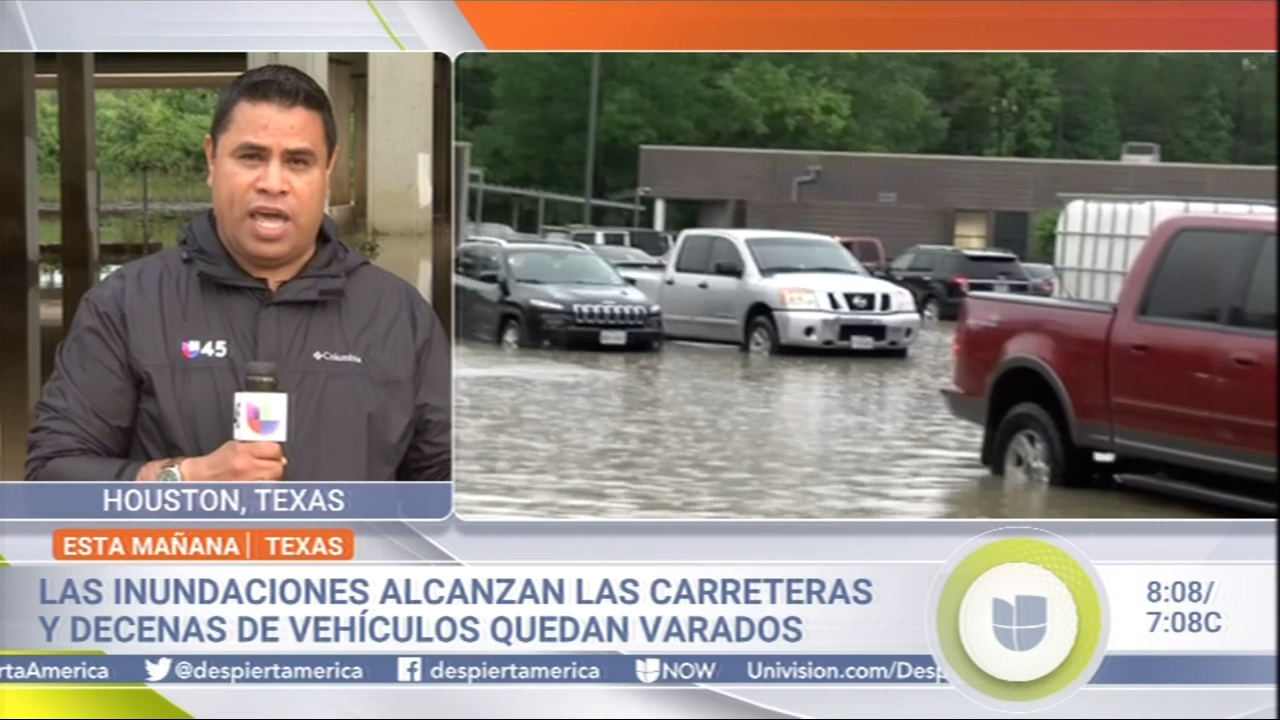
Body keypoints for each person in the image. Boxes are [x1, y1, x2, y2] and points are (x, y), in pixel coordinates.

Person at [26, 64, 451, 483]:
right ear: (212, 158)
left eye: (298, 161)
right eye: (251, 156)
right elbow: (52, 475)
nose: (272, 182)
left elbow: (448, 492)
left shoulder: (400, 317)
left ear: (329, 169)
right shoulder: (124, 304)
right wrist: (185, 479)